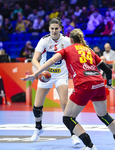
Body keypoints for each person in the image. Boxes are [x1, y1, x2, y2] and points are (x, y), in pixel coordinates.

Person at [21, 28, 115, 150]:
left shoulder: (67, 50)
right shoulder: (89, 50)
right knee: (104, 115)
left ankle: (90, 146)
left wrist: (35, 74)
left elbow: (51, 61)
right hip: (98, 83)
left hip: (84, 84)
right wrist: (109, 83)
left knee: (68, 118)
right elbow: (108, 70)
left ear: (71, 40)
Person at [27, 17, 81, 146]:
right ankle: (38, 128)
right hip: (46, 75)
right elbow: (35, 59)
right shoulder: (44, 41)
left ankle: (73, 134)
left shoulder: (67, 41)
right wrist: (41, 70)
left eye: (57, 28)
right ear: (49, 29)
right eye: (52, 29)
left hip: (61, 75)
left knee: (64, 103)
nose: (54, 31)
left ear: (61, 29)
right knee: (37, 106)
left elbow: (76, 54)